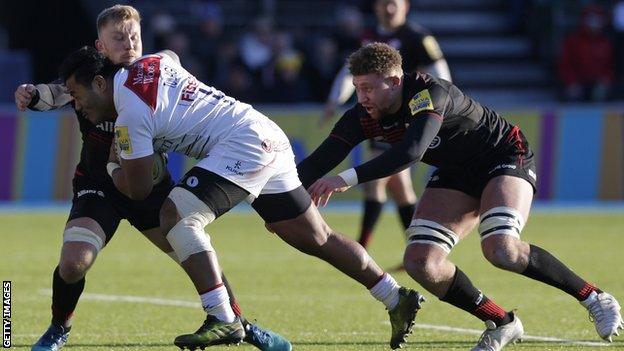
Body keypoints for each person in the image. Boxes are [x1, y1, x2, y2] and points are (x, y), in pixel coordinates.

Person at [57, 45, 425, 350]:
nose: (77, 105)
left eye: (76, 95)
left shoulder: (130, 117)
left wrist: (111, 168)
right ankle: (396, 297)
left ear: (101, 83)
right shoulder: (150, 63)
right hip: (261, 130)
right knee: (317, 238)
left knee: (176, 216)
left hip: (242, 145)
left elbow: (137, 190)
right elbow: (171, 57)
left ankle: (222, 317)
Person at [298, 42, 623, 350]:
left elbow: (410, 153)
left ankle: (594, 297)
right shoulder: (363, 115)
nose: (362, 96)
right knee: (420, 262)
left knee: (501, 249)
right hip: (456, 172)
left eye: (368, 88)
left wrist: (345, 178)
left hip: (504, 155)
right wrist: (273, 192)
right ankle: (501, 322)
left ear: (395, 81)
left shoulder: (427, 94)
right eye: (357, 87)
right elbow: (319, 160)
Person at [15, 5, 290, 351]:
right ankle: (58, 329)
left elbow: (169, 55)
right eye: (118, 37)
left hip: (146, 187)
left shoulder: (151, 72)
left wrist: (165, 57)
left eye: (134, 36)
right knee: (73, 264)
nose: (129, 43)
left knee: (192, 253)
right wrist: (33, 93)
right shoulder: (91, 73)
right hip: (99, 185)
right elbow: (58, 92)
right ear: (101, 46)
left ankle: (239, 324)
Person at [322, 0, 451, 264]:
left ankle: (361, 250)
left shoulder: (417, 37)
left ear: (406, 7)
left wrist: (442, 106)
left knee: (376, 183)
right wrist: (337, 99)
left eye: (394, 4)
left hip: (407, 119)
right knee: (400, 188)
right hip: (382, 117)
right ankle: (417, 249)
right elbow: (350, 74)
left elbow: (441, 74)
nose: (389, 9)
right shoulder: (369, 38)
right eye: (384, 4)